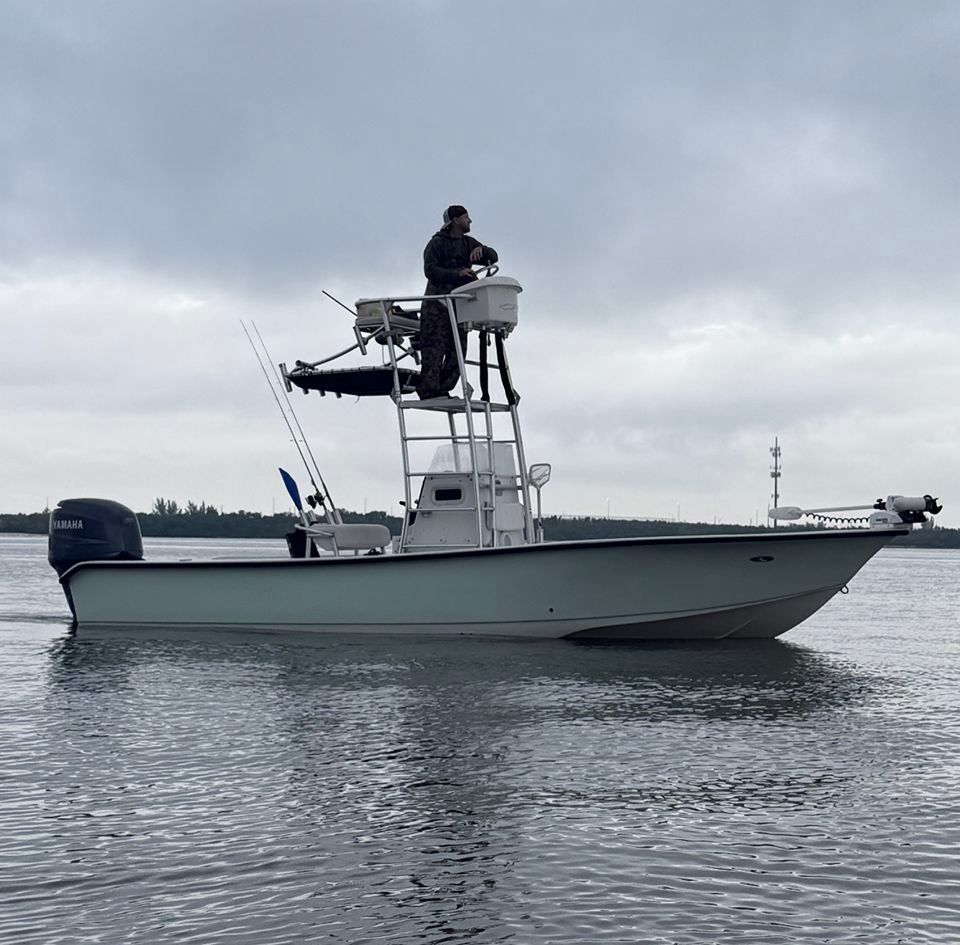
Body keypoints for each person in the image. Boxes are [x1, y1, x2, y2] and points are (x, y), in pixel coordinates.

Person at [416, 205, 498, 399]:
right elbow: (430, 271)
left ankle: (444, 389)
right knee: (434, 349)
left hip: (460, 306)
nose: (470, 221)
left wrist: (483, 250)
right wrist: (457, 273)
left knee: (458, 351)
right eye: (466, 218)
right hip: (437, 305)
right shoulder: (436, 244)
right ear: (455, 220)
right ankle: (429, 390)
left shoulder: (468, 243)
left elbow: (493, 258)